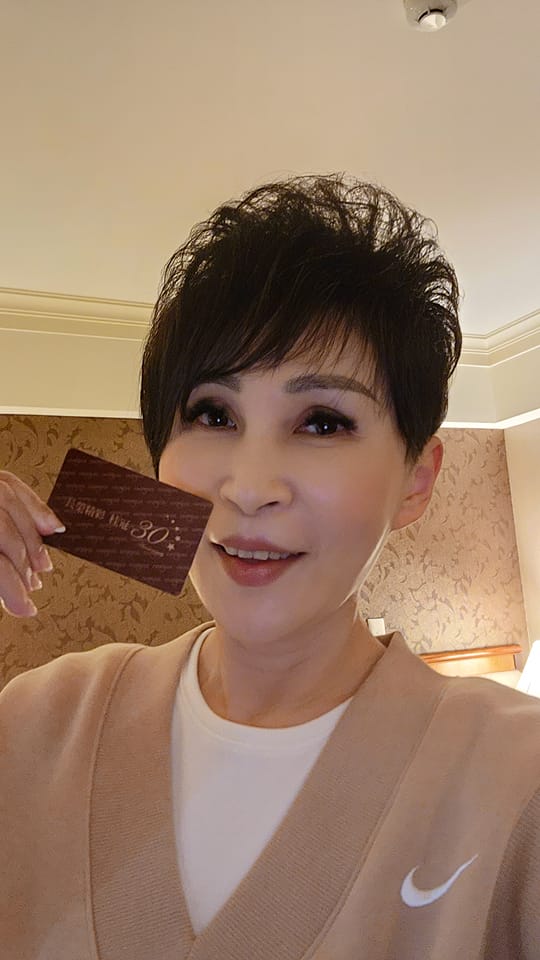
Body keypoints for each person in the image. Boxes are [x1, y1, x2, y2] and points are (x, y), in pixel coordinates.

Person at [1, 175, 539, 959]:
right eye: (212, 413)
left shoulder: (515, 781)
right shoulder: (38, 722)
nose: (250, 488)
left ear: (417, 480)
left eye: (322, 422)